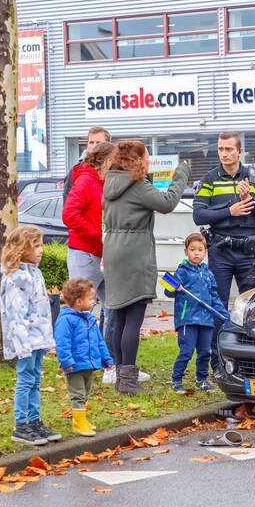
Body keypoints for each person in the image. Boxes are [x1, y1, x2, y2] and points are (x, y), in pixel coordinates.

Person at [103, 140, 191, 395]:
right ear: (138, 160)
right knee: (134, 316)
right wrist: (181, 173)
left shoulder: (111, 181)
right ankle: (129, 381)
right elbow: (167, 203)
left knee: (119, 314)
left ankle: (121, 375)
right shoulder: (137, 184)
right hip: (134, 251)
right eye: (147, 157)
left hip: (113, 249)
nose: (150, 160)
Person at [192, 132, 255, 374]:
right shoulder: (210, 179)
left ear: (240, 151)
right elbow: (199, 215)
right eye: (220, 149)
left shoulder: (252, 177)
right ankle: (218, 364)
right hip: (221, 251)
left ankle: (250, 362)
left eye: (229, 149)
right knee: (218, 307)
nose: (224, 154)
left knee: (251, 308)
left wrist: (249, 198)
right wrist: (230, 210)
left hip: (249, 252)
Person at [61, 140, 123, 385]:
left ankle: (110, 364)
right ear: (106, 160)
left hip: (105, 254)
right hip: (85, 253)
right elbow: (69, 214)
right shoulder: (86, 181)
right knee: (79, 309)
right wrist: (96, 233)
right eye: (116, 159)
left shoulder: (106, 181)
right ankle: (74, 365)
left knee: (115, 306)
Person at [0, 225, 61, 446]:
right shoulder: (16, 278)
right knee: (25, 380)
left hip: (37, 337)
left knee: (35, 379)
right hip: (26, 339)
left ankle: (34, 420)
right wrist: (22, 343)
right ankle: (21, 424)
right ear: (22, 248)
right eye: (36, 246)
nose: (41, 250)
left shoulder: (35, 273)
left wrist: (45, 337)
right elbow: (16, 314)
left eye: (41, 245)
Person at [164, 233, 229, 394]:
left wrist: (226, 316)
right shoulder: (182, 272)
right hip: (187, 319)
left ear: (205, 252)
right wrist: (175, 286)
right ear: (186, 251)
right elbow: (168, 291)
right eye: (192, 249)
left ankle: (202, 379)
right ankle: (176, 380)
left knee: (205, 351)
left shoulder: (208, 273)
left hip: (206, 320)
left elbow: (214, 297)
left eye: (200, 249)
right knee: (186, 351)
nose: (196, 253)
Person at [54, 278, 115, 437]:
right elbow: (62, 343)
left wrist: (106, 359)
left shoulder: (89, 319)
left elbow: (99, 341)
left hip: (89, 363)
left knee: (85, 392)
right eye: (90, 299)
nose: (94, 301)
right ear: (79, 301)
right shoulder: (66, 319)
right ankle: (78, 423)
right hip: (74, 365)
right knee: (78, 394)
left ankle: (82, 419)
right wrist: (66, 362)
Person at [62, 126, 111, 201]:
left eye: (98, 143)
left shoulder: (116, 169)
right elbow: (68, 205)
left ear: (108, 145)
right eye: (91, 142)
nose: (94, 146)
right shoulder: (76, 171)